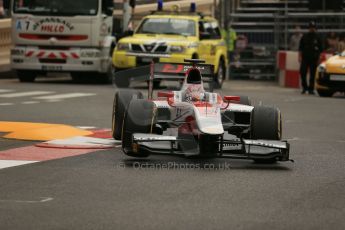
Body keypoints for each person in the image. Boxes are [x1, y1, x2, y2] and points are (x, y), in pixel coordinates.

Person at [299, 21, 323, 95]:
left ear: (315, 28)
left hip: (314, 58)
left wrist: (319, 58)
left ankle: (311, 89)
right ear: (308, 28)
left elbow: (320, 50)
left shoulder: (318, 37)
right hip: (305, 58)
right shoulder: (304, 36)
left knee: (312, 74)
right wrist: (299, 56)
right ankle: (304, 87)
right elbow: (300, 48)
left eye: (313, 28)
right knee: (303, 72)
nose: (312, 29)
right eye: (311, 28)